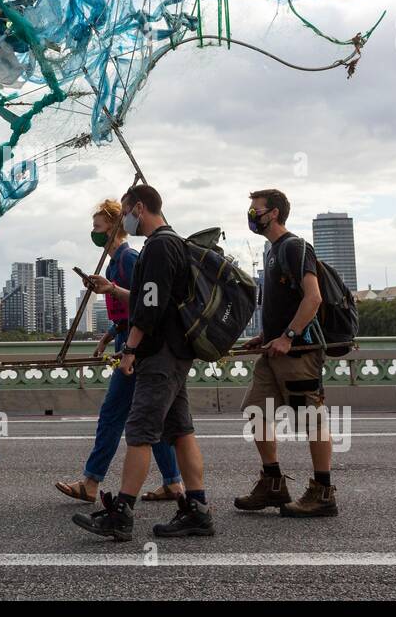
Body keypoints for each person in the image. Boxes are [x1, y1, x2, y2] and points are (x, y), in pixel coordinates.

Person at [72, 185, 213, 541]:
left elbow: (149, 308)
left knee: (139, 433)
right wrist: (114, 290)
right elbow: (152, 296)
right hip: (177, 350)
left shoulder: (156, 246)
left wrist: (130, 349)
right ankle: (197, 510)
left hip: (158, 352)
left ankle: (121, 514)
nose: (126, 220)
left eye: (126, 213)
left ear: (139, 208)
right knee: (180, 431)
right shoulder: (173, 243)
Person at [55, 199, 184, 505]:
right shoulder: (114, 263)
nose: (94, 232)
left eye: (98, 226)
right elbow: (124, 314)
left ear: (114, 226)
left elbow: (143, 304)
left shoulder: (129, 258)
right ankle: (174, 484)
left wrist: (125, 339)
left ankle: (91, 481)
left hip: (136, 345)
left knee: (114, 415)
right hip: (126, 339)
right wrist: (107, 337)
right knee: (153, 419)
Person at [235, 188, 337, 517]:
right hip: (274, 350)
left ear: (274, 213)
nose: (251, 215)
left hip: (299, 352)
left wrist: (289, 336)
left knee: (309, 419)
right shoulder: (271, 250)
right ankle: (273, 483)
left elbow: (313, 298)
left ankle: (323, 492)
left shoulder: (295, 247)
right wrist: (266, 336)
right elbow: (284, 302)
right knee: (257, 412)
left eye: (256, 210)